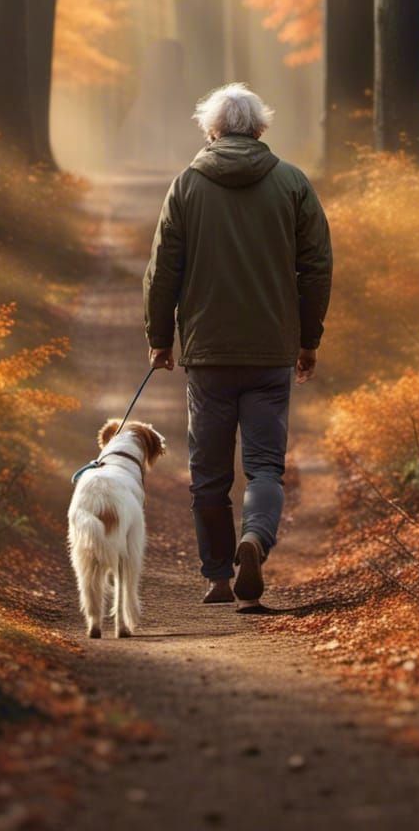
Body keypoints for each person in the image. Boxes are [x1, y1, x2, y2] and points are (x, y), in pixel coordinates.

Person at [143, 82, 333, 610]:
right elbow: (316, 267)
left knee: (209, 474)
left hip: (208, 353)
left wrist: (160, 338)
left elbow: (163, 272)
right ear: (260, 129)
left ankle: (219, 578)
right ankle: (256, 540)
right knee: (266, 466)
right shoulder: (293, 183)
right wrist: (307, 339)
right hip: (271, 349)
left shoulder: (186, 185)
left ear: (212, 129)